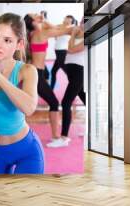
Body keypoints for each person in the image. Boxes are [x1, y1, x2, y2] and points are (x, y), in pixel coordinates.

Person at [0, 13, 45, 174]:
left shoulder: (27, 70)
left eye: (7, 40)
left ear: (19, 44)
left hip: (26, 151)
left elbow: (29, 108)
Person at [24, 13, 72, 146]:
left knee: (52, 103)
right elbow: (64, 30)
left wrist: (43, 20)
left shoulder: (35, 33)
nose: (38, 15)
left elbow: (58, 29)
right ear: (33, 22)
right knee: (54, 103)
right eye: (35, 16)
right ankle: (56, 138)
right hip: (36, 74)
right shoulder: (40, 34)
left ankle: (56, 137)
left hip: (36, 73)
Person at [48, 19, 85, 147]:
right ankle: (93, 131)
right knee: (84, 99)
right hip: (72, 72)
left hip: (79, 71)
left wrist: (73, 34)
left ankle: (64, 138)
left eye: (83, 22)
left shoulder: (86, 37)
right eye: (81, 21)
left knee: (65, 102)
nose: (80, 24)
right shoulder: (76, 33)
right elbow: (60, 31)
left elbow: (71, 49)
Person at [50, 15, 77, 89]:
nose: (66, 20)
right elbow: (55, 35)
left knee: (67, 72)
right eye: (66, 18)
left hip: (62, 52)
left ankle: (75, 87)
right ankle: (51, 89)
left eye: (69, 19)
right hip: (58, 52)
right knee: (53, 71)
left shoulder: (70, 28)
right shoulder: (60, 26)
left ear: (71, 21)